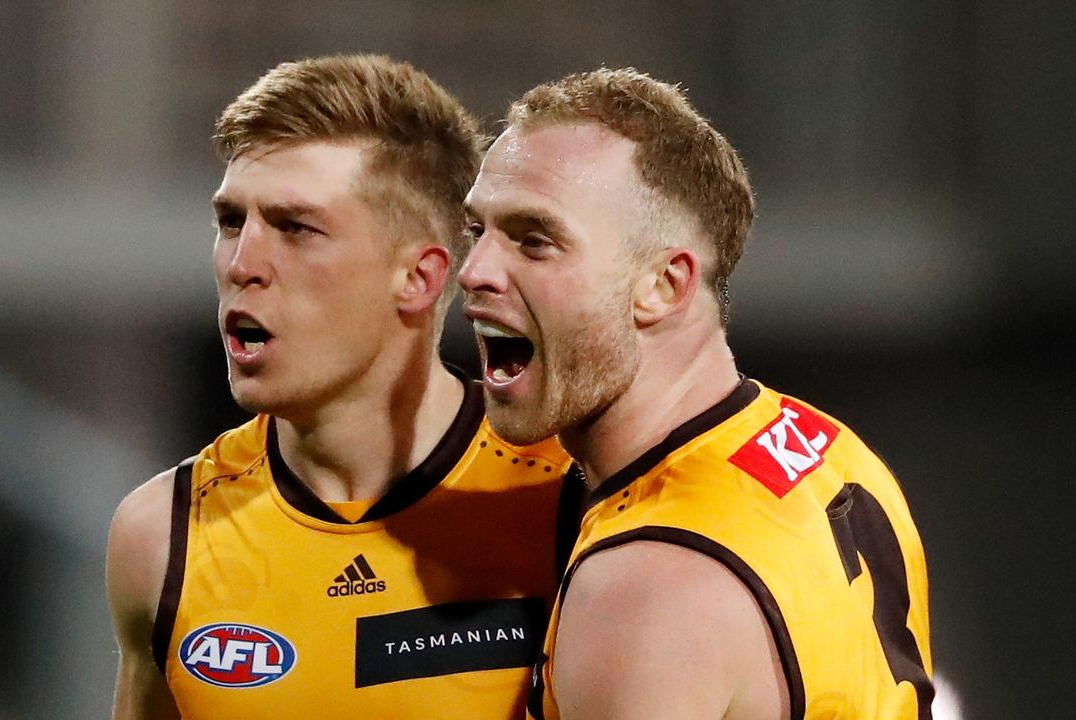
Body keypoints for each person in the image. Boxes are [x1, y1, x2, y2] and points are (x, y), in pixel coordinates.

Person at [106, 55, 570, 720]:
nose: (243, 265)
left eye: (295, 228)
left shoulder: (568, 503)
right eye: (233, 221)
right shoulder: (162, 539)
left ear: (418, 277)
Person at [459, 68, 933, 720]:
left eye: (535, 240)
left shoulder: (643, 587)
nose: (474, 271)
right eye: (476, 231)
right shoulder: (823, 445)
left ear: (662, 284)